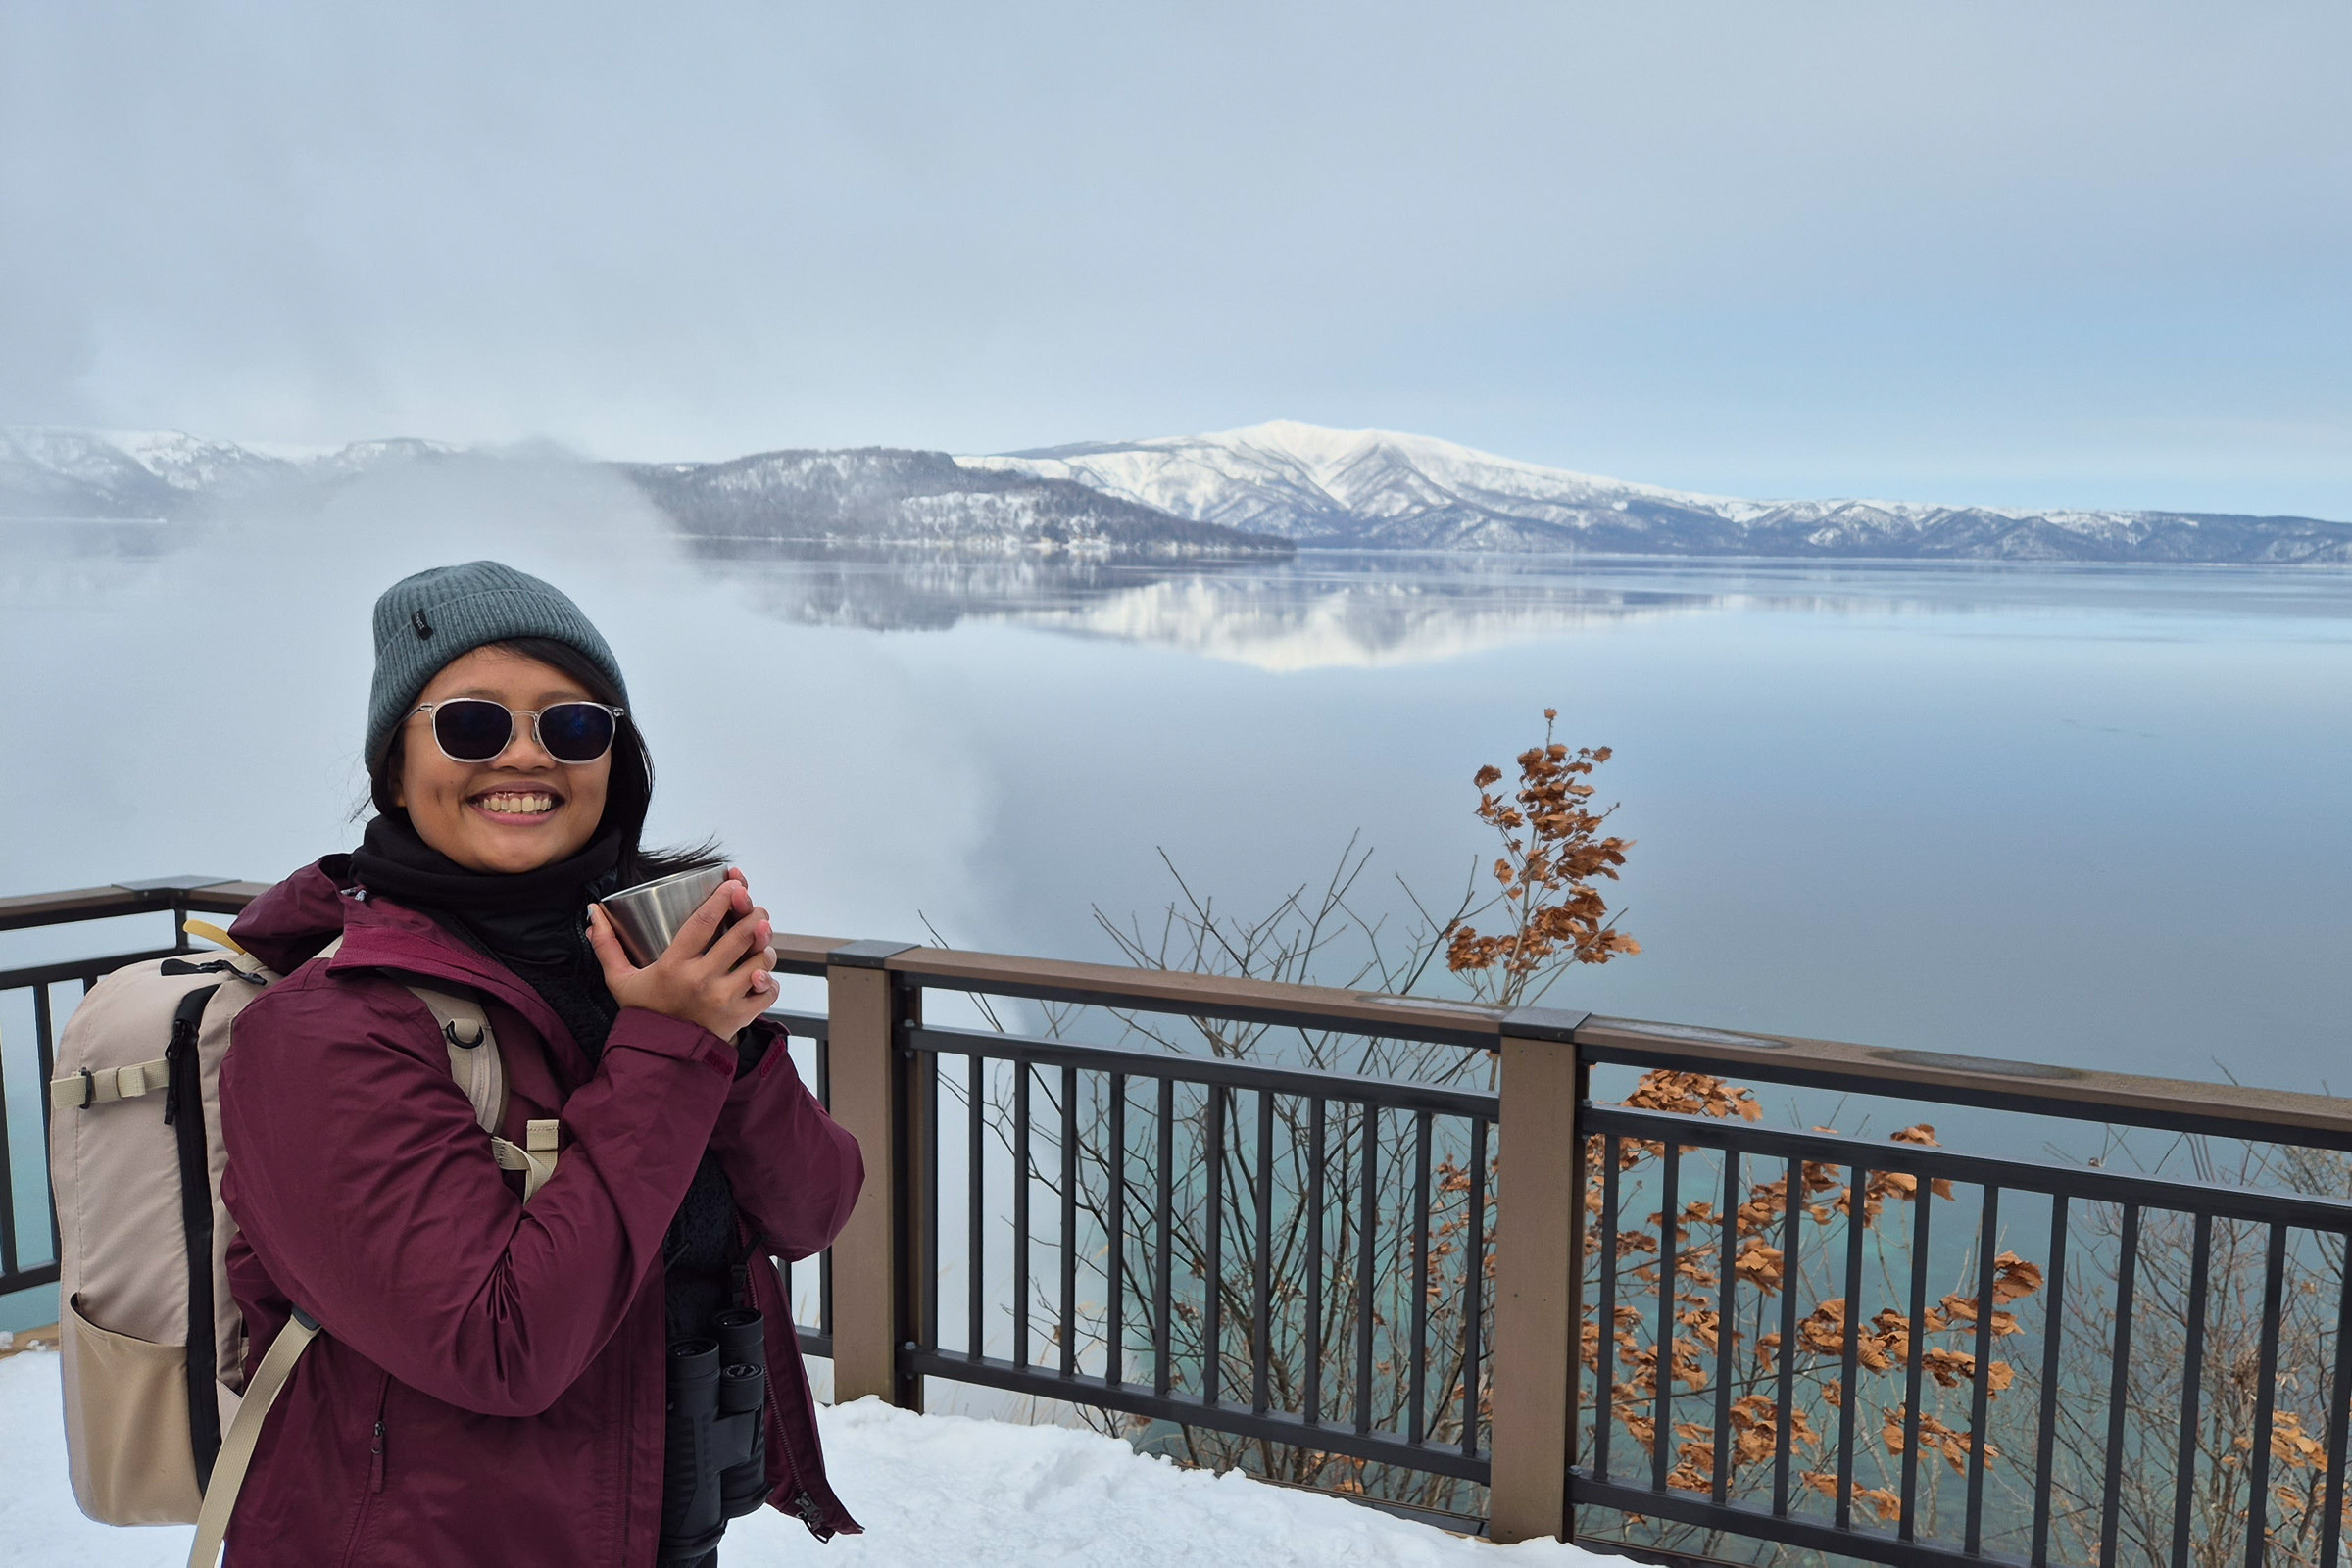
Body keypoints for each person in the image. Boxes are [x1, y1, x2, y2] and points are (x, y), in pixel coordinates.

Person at [216, 560, 863, 1565]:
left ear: (616, 761)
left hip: (650, 1523)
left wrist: (724, 1034)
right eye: (474, 724)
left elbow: (810, 1211)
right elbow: (499, 1347)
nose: (525, 757)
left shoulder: (635, 970)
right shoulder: (321, 1030)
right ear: (393, 765)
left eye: (571, 726)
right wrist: (675, 1043)